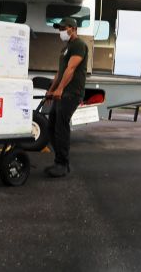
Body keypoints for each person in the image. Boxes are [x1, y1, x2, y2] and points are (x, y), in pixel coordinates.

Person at [45, 17, 88, 178]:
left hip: (71, 93)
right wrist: (51, 89)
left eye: (64, 28)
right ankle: (60, 161)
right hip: (62, 93)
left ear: (73, 28)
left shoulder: (79, 45)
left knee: (61, 127)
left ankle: (62, 164)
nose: (61, 31)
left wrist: (61, 89)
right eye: (59, 28)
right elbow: (60, 72)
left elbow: (71, 69)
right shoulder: (65, 48)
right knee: (51, 127)